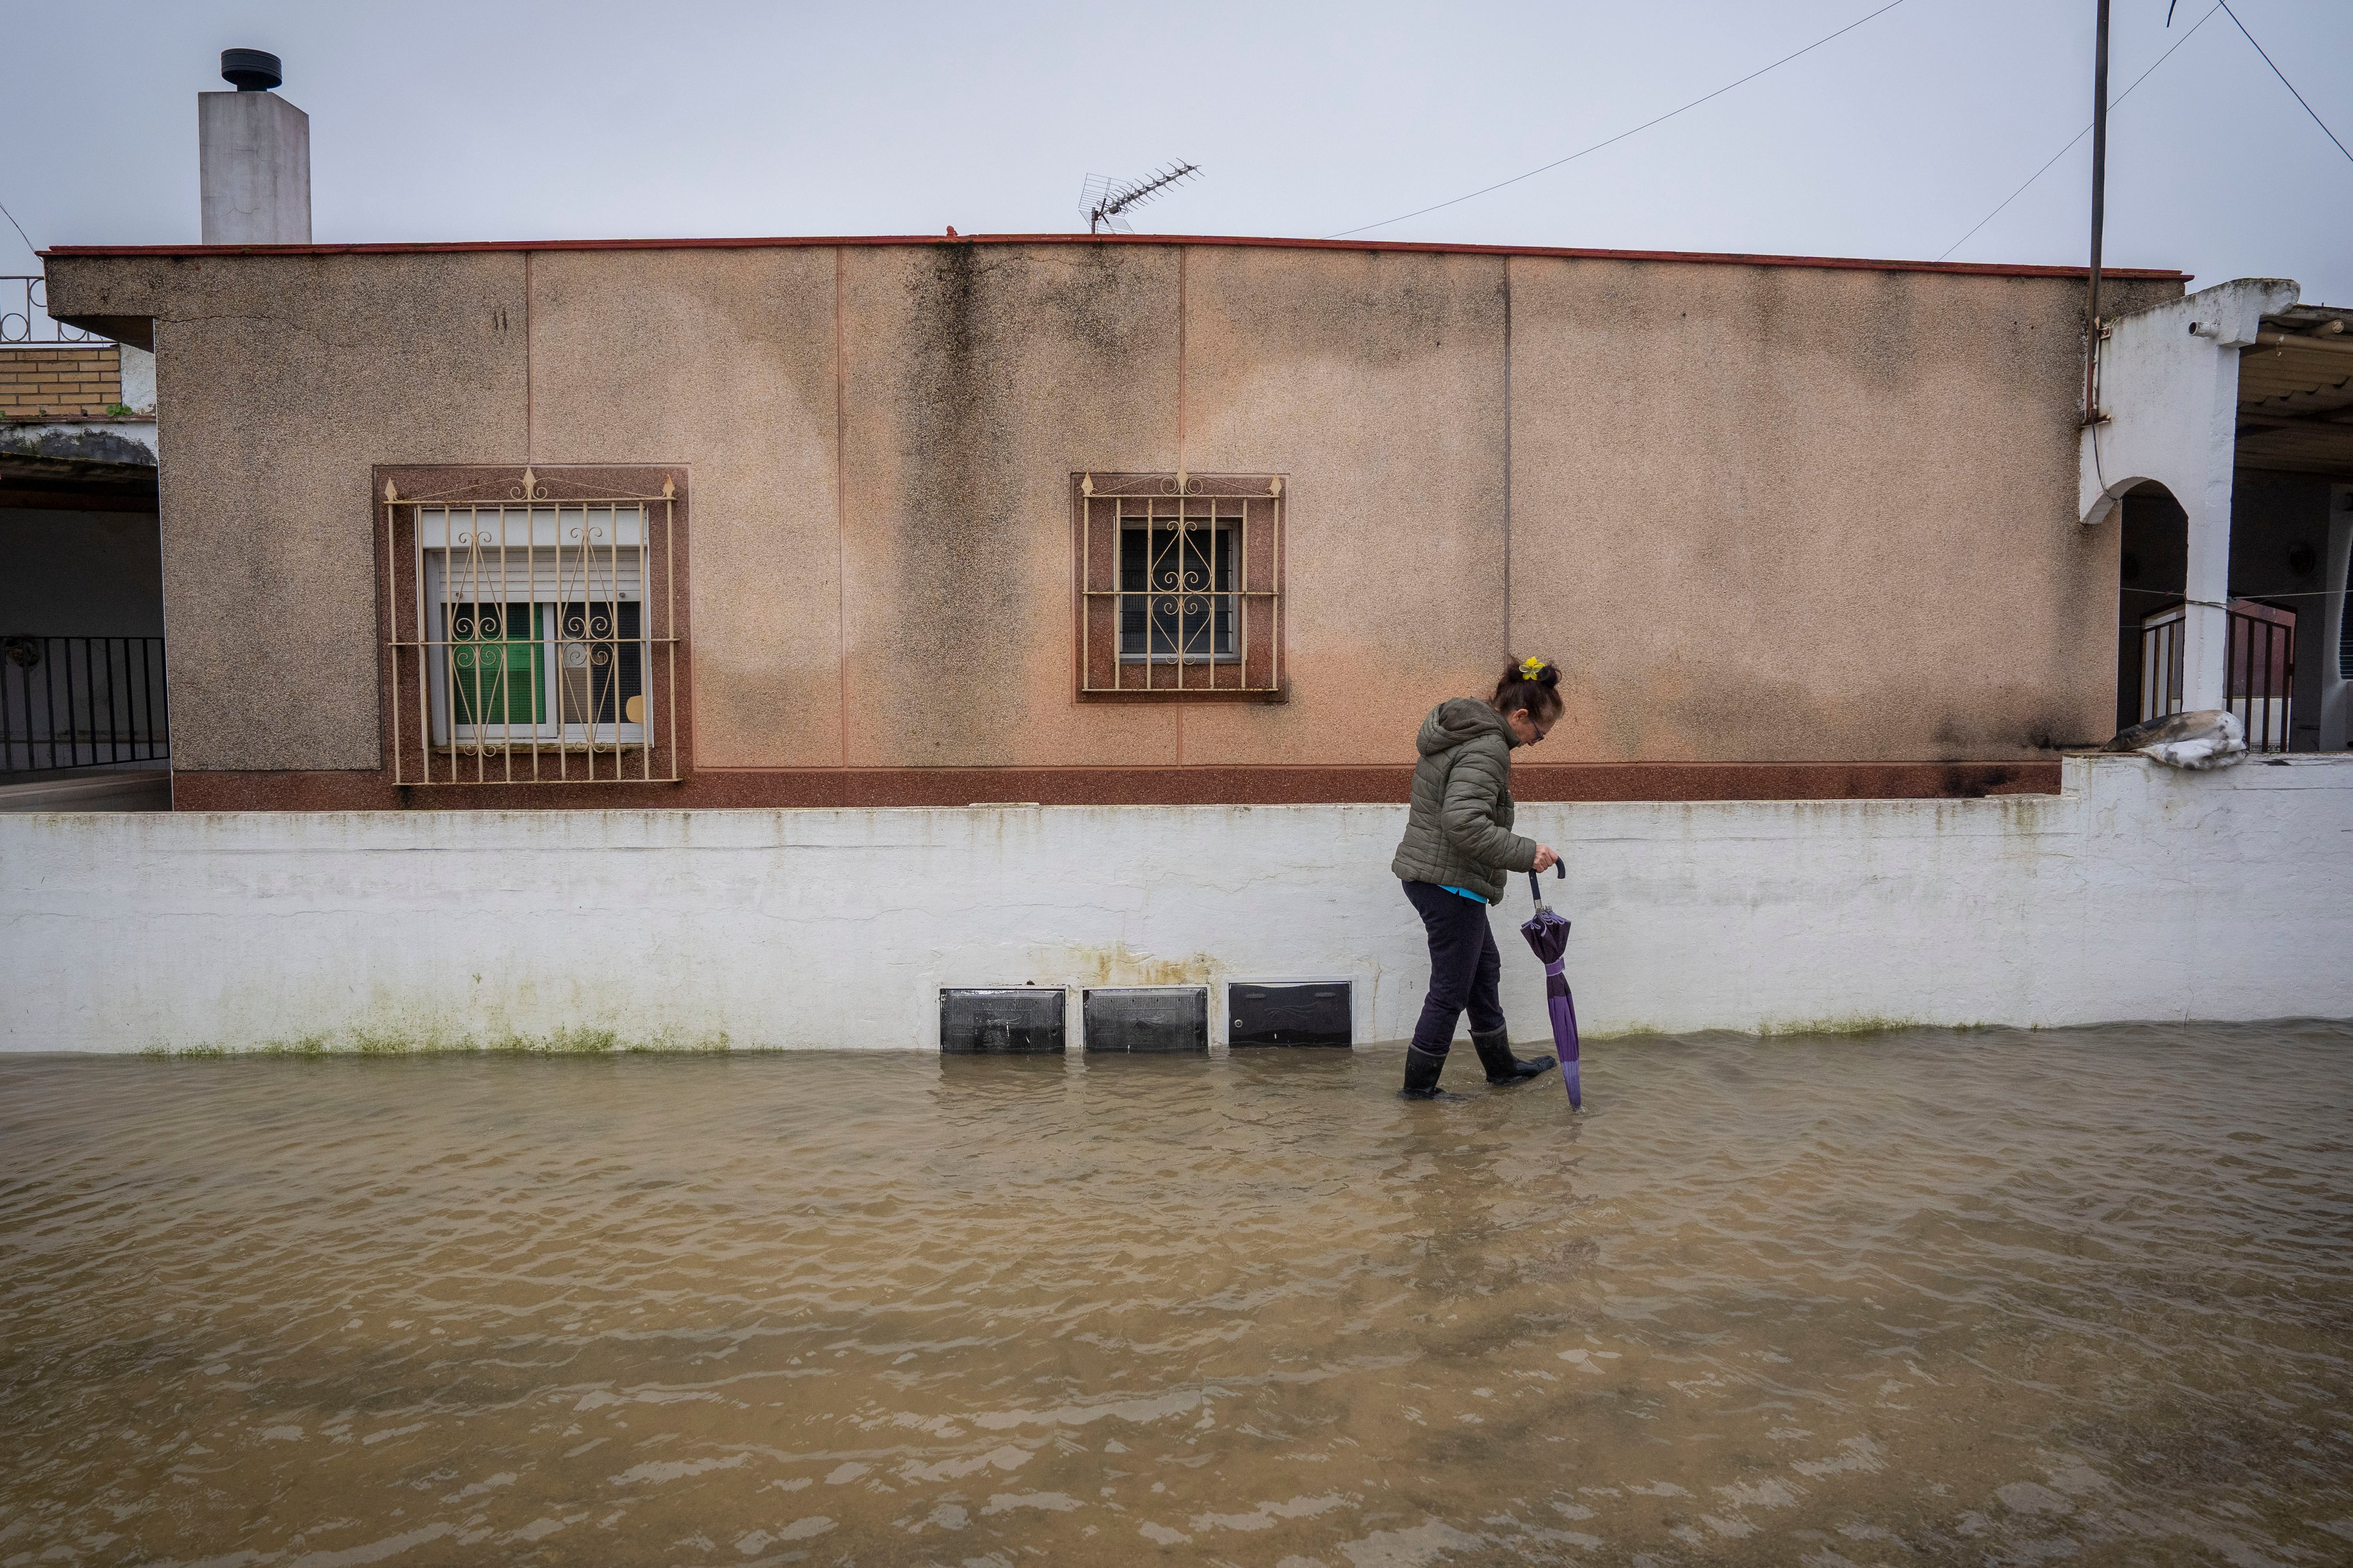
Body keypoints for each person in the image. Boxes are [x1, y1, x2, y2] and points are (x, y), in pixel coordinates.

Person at [1389, 656, 1565, 1099]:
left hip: (1441, 876)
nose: (1535, 743)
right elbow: (1465, 822)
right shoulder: (1489, 747)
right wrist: (1528, 853)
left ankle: (1502, 1068)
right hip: (1447, 882)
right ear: (1519, 716)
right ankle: (1419, 1090)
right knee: (1451, 989)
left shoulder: (1466, 732)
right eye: (1538, 735)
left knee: (1484, 970)